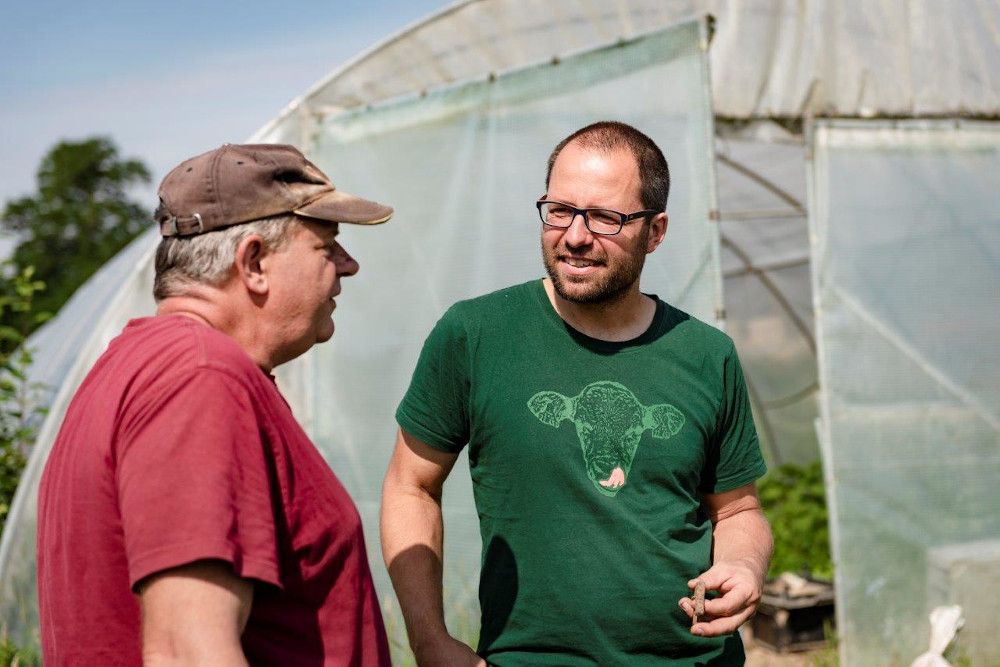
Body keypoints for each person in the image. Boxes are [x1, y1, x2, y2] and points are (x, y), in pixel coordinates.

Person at [381, 121, 772, 665]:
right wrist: (429, 640)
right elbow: (410, 487)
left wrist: (744, 565)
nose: (575, 235)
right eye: (559, 210)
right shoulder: (476, 335)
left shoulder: (707, 354)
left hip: (695, 658)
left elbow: (737, 510)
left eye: (606, 217)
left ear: (655, 232)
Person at [37, 143, 394, 666]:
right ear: (253, 262)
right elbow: (187, 651)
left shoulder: (142, 366)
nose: (349, 265)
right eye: (327, 245)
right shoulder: (200, 378)